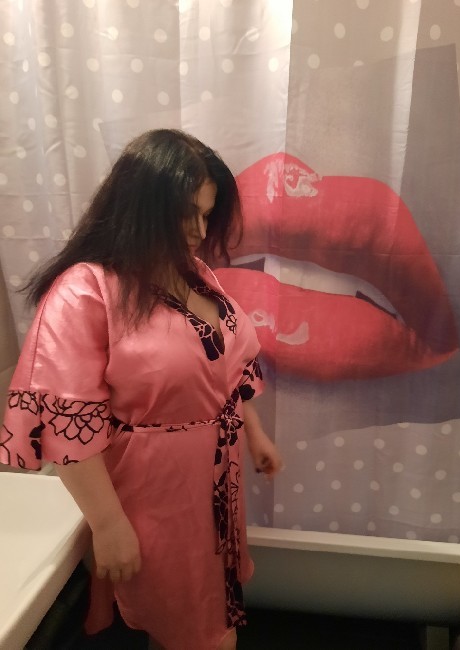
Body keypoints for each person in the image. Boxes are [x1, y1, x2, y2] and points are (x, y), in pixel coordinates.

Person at [0, 129, 283, 650]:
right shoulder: (85, 291)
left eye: (206, 215)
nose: (199, 231)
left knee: (202, 605)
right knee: (195, 625)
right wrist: (108, 525)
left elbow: (227, 367)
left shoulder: (195, 275)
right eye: (186, 214)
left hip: (216, 476)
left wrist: (255, 432)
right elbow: (68, 423)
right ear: (140, 206)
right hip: (153, 490)